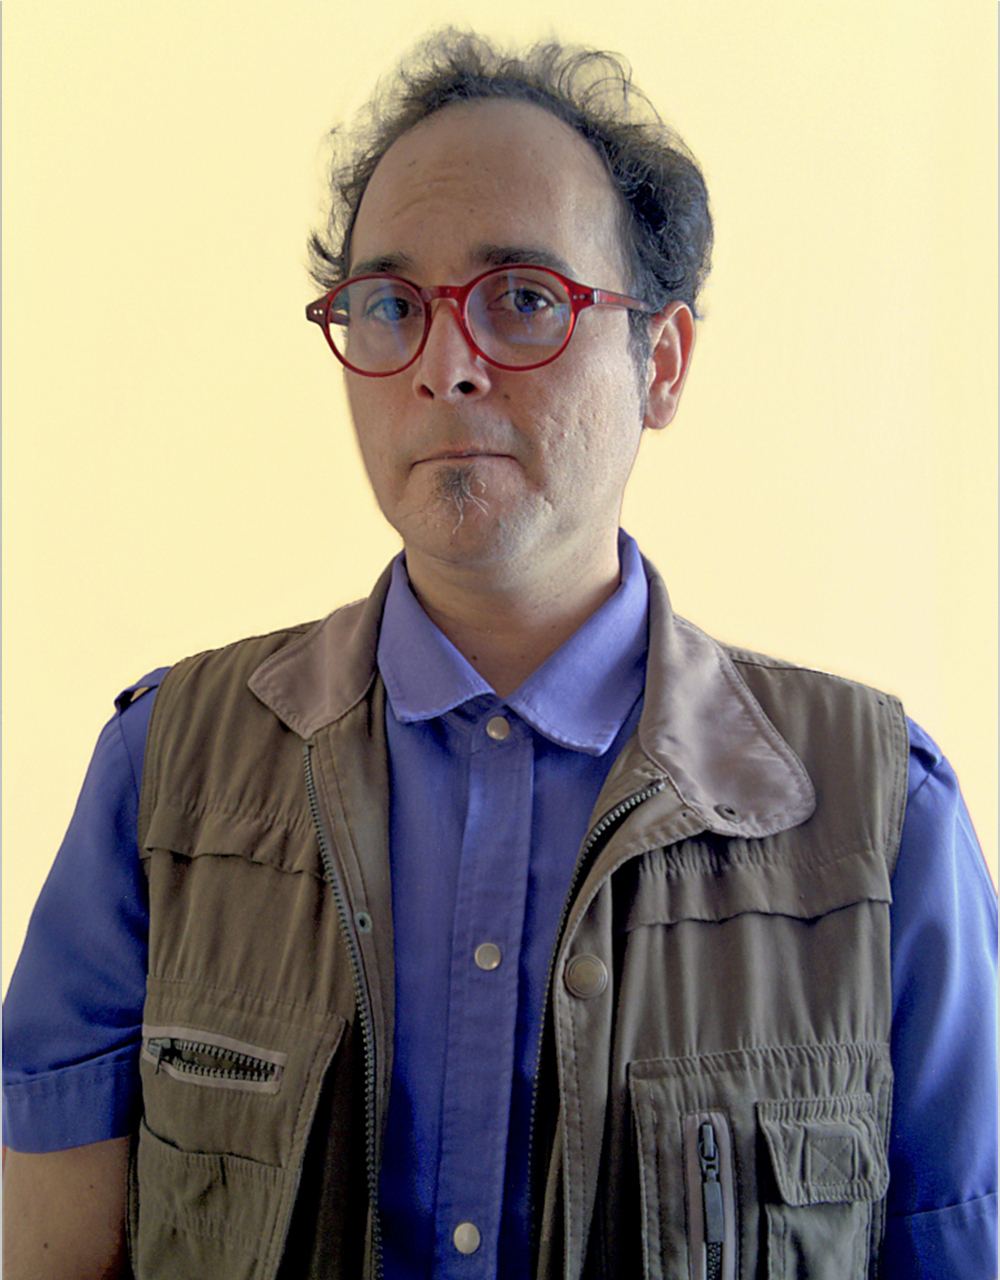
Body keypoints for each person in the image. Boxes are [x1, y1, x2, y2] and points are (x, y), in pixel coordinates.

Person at [3, 30, 996, 1280]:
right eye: (389, 306)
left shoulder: (875, 814)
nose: (447, 366)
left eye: (522, 298)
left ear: (661, 363)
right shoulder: (165, 774)